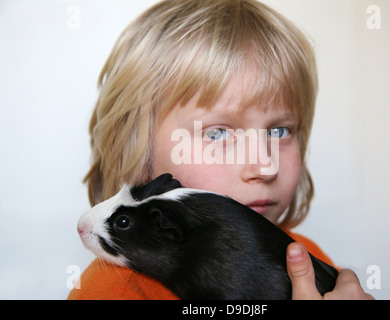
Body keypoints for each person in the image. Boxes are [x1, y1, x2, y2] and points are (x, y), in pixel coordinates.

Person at [68, 0, 373, 300]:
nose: (266, 166)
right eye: (217, 133)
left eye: (279, 131)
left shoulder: (302, 260)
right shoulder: (114, 293)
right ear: (138, 154)